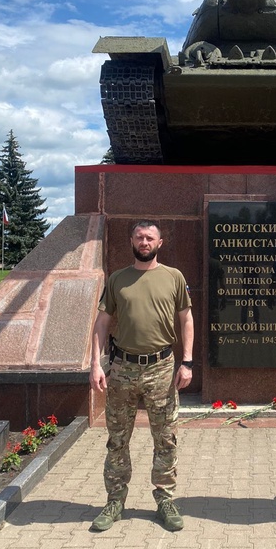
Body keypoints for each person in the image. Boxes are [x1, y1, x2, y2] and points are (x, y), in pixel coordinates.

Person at [89, 220, 194, 532]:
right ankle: (114, 502)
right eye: (139, 237)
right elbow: (102, 323)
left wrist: (187, 362)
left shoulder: (174, 277)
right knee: (117, 440)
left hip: (162, 368)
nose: (144, 241)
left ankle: (165, 500)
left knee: (165, 439)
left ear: (160, 242)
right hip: (122, 369)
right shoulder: (118, 279)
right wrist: (96, 363)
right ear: (131, 241)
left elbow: (186, 319)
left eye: (150, 237)